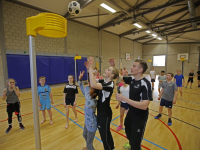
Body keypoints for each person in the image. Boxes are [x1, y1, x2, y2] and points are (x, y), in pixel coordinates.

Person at [112, 58, 152, 150]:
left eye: (134, 66)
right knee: (128, 131)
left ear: (140, 70)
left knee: (135, 143)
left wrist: (124, 99)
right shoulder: (132, 79)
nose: (131, 67)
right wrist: (114, 66)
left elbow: (144, 105)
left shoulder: (145, 84)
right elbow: (119, 77)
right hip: (131, 113)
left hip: (140, 117)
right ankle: (132, 143)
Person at [85, 56, 119, 150]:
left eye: (108, 69)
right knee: (106, 133)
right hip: (101, 112)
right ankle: (112, 148)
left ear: (112, 75)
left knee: (104, 136)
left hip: (105, 113)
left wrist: (91, 67)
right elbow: (90, 81)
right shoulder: (104, 81)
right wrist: (89, 70)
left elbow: (93, 84)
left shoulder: (109, 85)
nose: (105, 69)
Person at [78, 71, 98, 150]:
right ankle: (88, 147)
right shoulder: (89, 96)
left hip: (92, 124)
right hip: (87, 121)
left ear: (94, 94)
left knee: (89, 144)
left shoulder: (93, 102)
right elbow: (82, 89)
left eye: (91, 89)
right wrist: (80, 80)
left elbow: (86, 94)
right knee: (84, 135)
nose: (89, 88)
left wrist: (88, 86)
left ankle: (89, 148)